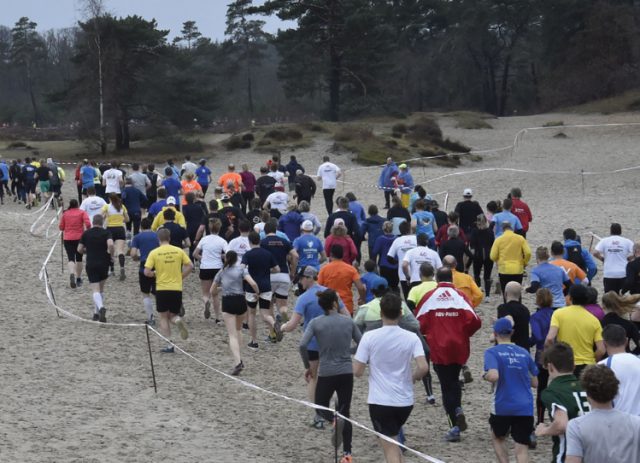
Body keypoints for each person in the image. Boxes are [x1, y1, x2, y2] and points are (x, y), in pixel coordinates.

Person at [354, 293, 428, 463]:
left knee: (390, 448)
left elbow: (357, 371)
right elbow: (423, 367)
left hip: (380, 401)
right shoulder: (411, 337)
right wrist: (413, 378)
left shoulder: (369, 337)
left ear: (381, 314)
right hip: (405, 401)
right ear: (401, 314)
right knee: (393, 443)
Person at [415, 267, 482, 442]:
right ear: (452, 278)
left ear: (437, 279)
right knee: (454, 380)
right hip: (459, 346)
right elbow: (475, 321)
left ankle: (453, 425)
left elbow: (418, 323)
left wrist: (430, 332)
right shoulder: (460, 296)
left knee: (446, 386)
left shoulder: (429, 297)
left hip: (439, 347)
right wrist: (463, 332)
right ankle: (458, 409)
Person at [282, 266, 350, 427]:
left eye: (301, 278)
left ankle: (318, 415)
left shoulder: (304, 298)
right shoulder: (330, 294)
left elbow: (292, 325)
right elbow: (347, 316)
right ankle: (336, 413)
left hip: (313, 344)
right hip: (333, 342)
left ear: (308, 278)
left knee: (313, 378)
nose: (299, 281)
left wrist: (281, 327)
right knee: (332, 377)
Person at [299, 289, 361, 463]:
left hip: (327, 371)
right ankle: (347, 454)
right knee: (345, 411)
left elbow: (302, 345)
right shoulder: (347, 321)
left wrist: (308, 367)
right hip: (346, 371)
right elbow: (361, 342)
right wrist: (348, 351)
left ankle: (334, 420)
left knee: (320, 406)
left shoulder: (316, 323)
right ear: (335, 303)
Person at [483, 318, 538, 463]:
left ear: (495, 334)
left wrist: (485, 375)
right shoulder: (524, 353)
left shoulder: (492, 352)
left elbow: (494, 376)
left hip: (503, 404)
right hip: (524, 406)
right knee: (521, 447)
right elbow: (535, 382)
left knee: (498, 436)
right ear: (512, 332)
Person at [565, 365, 640, 463]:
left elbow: (573, 460)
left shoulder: (576, 426)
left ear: (587, 393)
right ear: (615, 391)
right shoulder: (636, 423)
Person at [534, 342, 591, 463]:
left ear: (550, 367)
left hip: (568, 454)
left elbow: (561, 425)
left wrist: (544, 430)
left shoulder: (552, 392)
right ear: (574, 365)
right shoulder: (588, 387)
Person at [210, 250, 259, 375]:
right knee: (239, 330)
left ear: (226, 259)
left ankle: (238, 362)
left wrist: (222, 289)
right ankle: (239, 354)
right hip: (240, 300)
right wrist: (257, 293)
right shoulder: (241, 270)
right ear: (237, 259)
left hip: (228, 301)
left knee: (231, 334)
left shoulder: (221, 271)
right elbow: (253, 283)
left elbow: (212, 290)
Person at [144, 228, 193, 352]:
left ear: (158, 239)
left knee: (163, 317)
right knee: (173, 315)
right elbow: (190, 266)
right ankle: (177, 320)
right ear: (169, 238)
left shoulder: (154, 252)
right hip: (176, 288)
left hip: (162, 288)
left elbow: (146, 272)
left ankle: (169, 344)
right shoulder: (178, 251)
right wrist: (181, 276)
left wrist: (155, 274)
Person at [545, 285, 605, 377]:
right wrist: (594, 359)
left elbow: (549, 338)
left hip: (565, 362)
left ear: (570, 297)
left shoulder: (558, 313)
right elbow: (601, 350)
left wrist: (553, 356)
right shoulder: (594, 320)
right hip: (587, 364)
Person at [242, 231, 282, 348]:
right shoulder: (267, 254)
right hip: (266, 286)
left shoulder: (248, 255)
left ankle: (254, 341)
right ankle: (274, 324)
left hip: (252, 287)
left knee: (252, 314)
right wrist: (268, 271)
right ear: (259, 240)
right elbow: (277, 269)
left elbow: (242, 269)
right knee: (265, 313)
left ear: (249, 242)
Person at [78, 215, 114, 322]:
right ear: (102, 222)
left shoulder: (86, 233)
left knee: (95, 290)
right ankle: (96, 313)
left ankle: (101, 308)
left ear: (93, 222)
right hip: (104, 262)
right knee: (101, 289)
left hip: (91, 262)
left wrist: (87, 251)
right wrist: (111, 254)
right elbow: (111, 244)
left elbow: (79, 249)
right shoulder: (106, 232)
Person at [598, 324, 640, 415]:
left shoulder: (601, 367)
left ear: (604, 343)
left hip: (614, 421)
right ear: (626, 341)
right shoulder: (638, 362)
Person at [261, 220, 298, 321]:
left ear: (265, 231)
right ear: (276, 230)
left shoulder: (263, 243)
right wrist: (293, 272)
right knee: (282, 303)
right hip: (283, 274)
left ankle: (273, 326)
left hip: (269, 275)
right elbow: (295, 256)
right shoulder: (284, 241)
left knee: (268, 304)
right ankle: (283, 315)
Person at [528, 288, 555, 425]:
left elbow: (537, 336)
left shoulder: (535, 317)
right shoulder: (557, 314)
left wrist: (528, 342)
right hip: (557, 352)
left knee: (541, 388)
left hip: (542, 354)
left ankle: (539, 420)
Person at [194, 218, 228, 324]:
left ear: (209, 227)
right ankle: (218, 318)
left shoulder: (204, 240)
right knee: (215, 294)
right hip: (217, 268)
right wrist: (221, 257)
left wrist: (202, 258)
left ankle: (206, 302)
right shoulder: (222, 241)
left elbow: (195, 254)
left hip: (205, 267)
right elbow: (228, 255)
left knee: (205, 293)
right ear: (219, 228)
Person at [318, 245, 365, 315]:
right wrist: (362, 298)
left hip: (329, 306)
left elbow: (318, 287)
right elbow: (361, 287)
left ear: (331, 255)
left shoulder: (324, 269)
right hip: (346, 305)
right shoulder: (351, 269)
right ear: (342, 255)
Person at [130, 217, 160, 324]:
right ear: (151, 225)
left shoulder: (137, 237)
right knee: (158, 290)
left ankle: (151, 318)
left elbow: (133, 253)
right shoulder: (157, 236)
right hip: (158, 264)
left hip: (145, 264)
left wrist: (137, 258)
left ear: (141, 227)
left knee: (145, 293)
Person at [490, 221, 531, 300]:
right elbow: (528, 252)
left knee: (506, 293)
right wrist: (524, 262)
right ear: (512, 228)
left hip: (504, 270)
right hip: (517, 269)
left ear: (503, 229)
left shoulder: (499, 240)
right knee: (517, 292)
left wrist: (498, 261)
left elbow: (492, 256)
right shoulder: (520, 238)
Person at [593, 223, 634, 293]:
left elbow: (595, 253)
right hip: (623, 273)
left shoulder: (604, 241)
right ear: (621, 231)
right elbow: (636, 252)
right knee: (622, 298)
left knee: (610, 299)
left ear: (610, 231)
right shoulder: (626, 241)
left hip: (609, 274)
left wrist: (602, 259)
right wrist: (629, 258)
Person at [59, 199, 91, 288]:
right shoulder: (82, 212)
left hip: (68, 238)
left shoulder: (65, 214)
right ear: (78, 205)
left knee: (71, 258)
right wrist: (87, 230)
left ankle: (72, 273)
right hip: (79, 238)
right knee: (79, 258)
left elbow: (61, 227)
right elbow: (88, 224)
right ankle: (78, 278)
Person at [387, 221, 417, 299]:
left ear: (400, 231)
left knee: (407, 297)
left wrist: (398, 263)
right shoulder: (416, 238)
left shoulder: (397, 241)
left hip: (403, 273)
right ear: (410, 229)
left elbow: (389, 257)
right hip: (417, 273)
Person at [102, 194, 129, 280]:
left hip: (110, 229)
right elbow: (127, 219)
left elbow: (101, 217)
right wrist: (121, 220)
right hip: (120, 229)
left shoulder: (106, 206)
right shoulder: (122, 206)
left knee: (109, 250)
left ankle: (112, 269)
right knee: (120, 251)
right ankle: (122, 268)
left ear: (109, 199)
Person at [470, 214, 495, 300]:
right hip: (488, 255)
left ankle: (480, 290)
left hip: (478, 255)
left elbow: (472, 245)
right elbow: (493, 243)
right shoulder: (490, 231)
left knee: (477, 274)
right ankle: (487, 295)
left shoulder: (474, 231)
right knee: (487, 276)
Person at [372, 221, 399, 293]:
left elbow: (375, 252)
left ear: (383, 229)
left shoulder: (380, 239)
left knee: (385, 285)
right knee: (395, 286)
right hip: (395, 265)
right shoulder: (396, 238)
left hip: (384, 264)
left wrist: (374, 264)